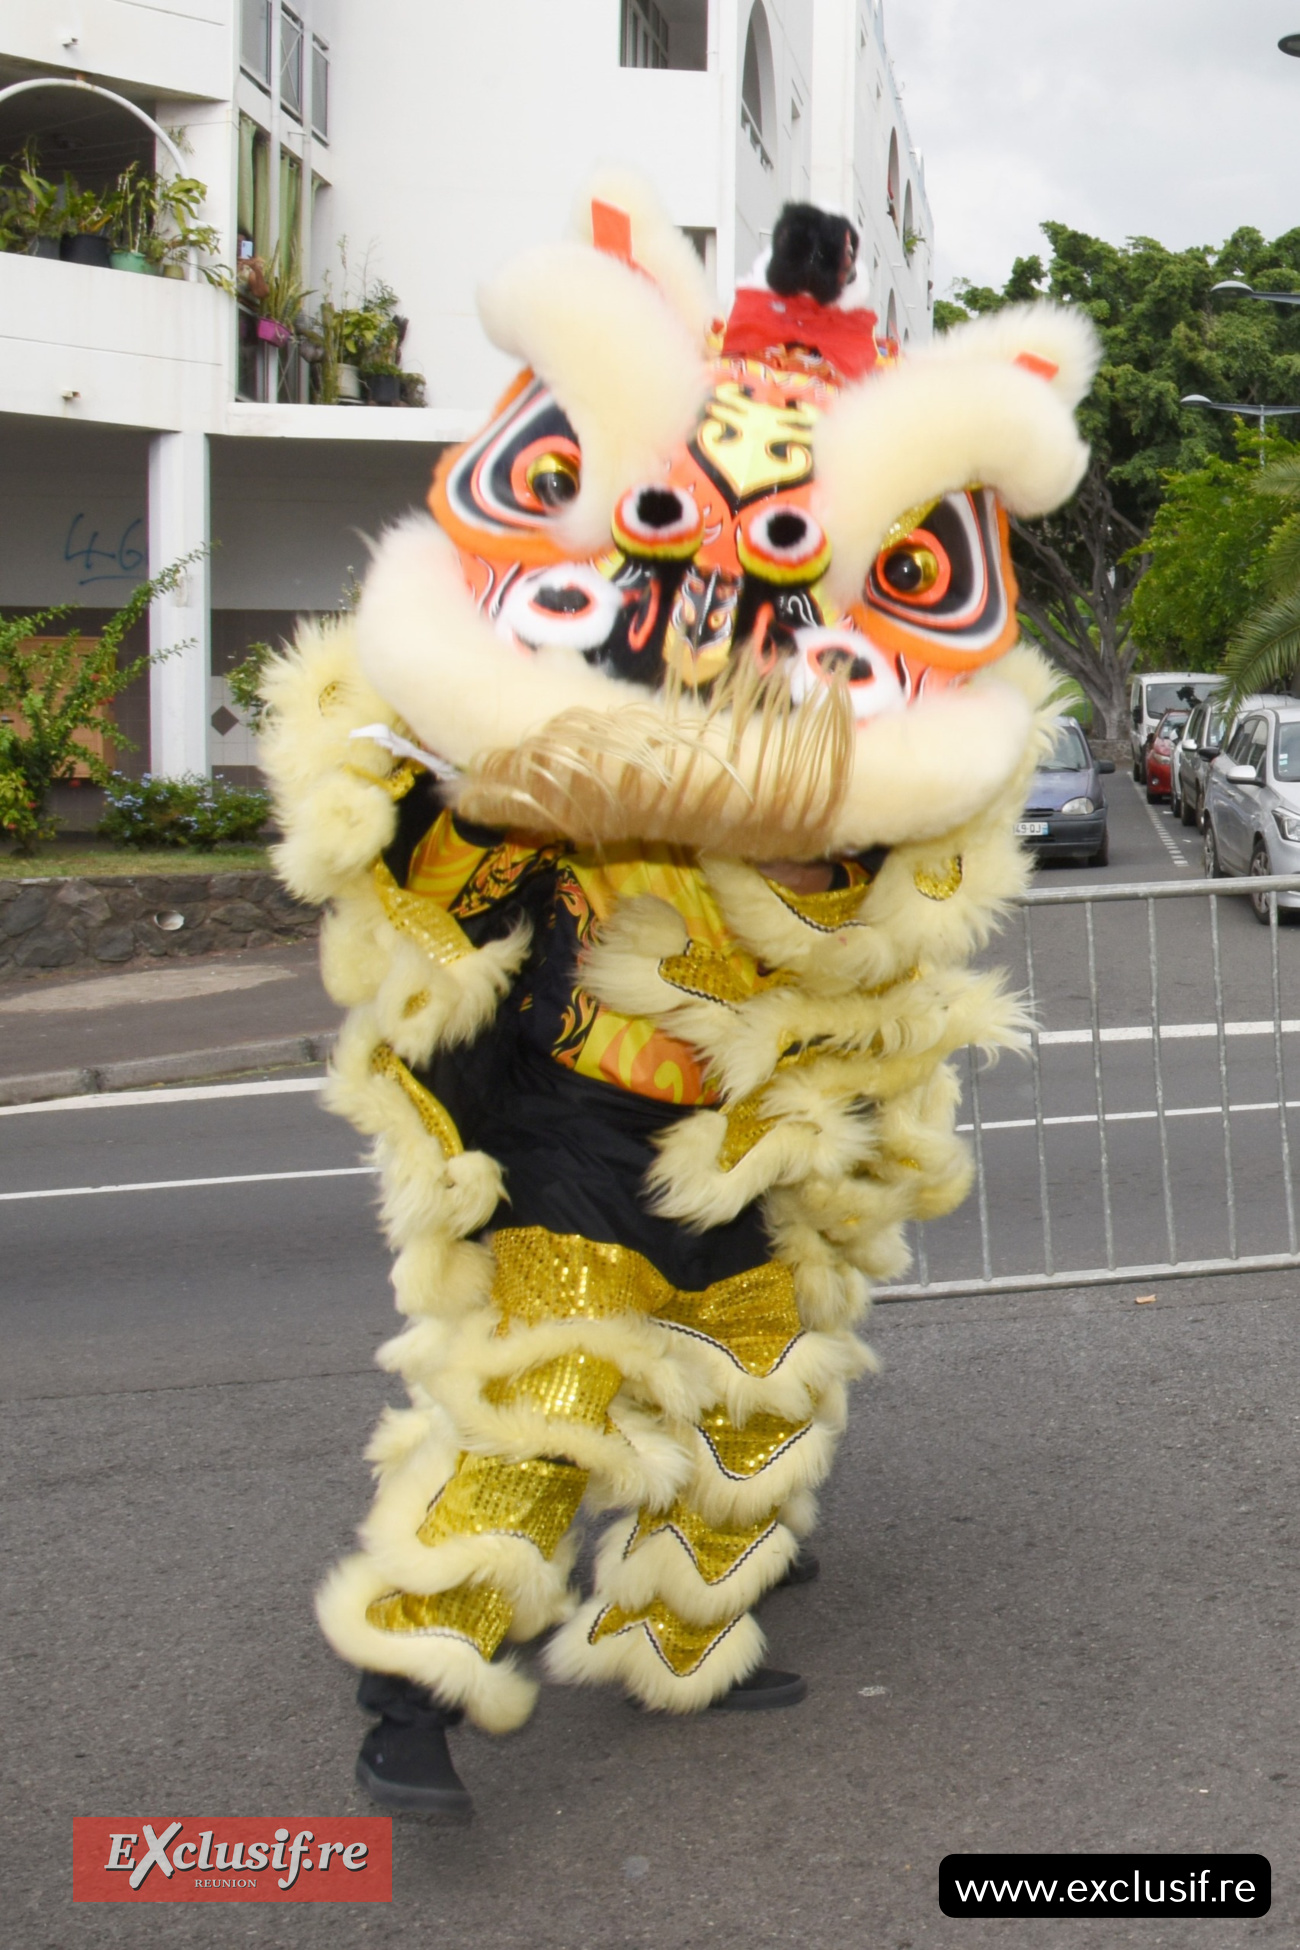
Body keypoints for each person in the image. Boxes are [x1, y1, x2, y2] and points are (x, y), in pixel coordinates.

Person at [262, 180, 1099, 1815]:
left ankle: (681, 1626)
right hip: (578, 1130)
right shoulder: (554, 783)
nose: (714, 630)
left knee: (763, 1385)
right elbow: (439, 885)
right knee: (553, 1389)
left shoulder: (791, 798)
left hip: (730, 1146)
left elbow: (861, 906)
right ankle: (407, 1685)